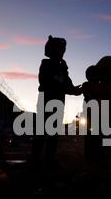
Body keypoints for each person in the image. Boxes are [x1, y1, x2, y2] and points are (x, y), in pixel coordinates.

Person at [31, 36, 82, 166]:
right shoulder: (46, 65)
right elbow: (48, 82)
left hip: (58, 103)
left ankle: (49, 159)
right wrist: (68, 87)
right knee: (41, 132)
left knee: (53, 132)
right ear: (51, 50)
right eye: (60, 49)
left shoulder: (62, 68)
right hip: (46, 101)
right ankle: (35, 158)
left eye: (63, 49)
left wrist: (75, 90)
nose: (62, 52)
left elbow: (67, 84)